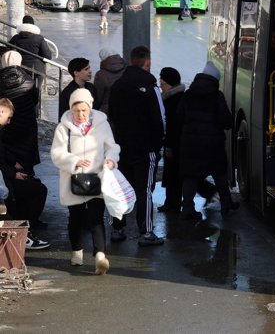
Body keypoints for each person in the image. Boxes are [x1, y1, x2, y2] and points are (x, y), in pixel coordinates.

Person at [50, 89, 119, 275]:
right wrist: (74, 161)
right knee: (76, 218)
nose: (80, 115)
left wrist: (111, 160)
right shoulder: (63, 127)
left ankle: (100, 256)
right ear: (71, 109)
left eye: (84, 110)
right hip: (73, 180)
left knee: (97, 217)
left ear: (90, 107)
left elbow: (112, 147)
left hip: (97, 177)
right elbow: (56, 154)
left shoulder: (102, 124)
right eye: (76, 111)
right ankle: (77, 250)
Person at [108, 46, 166, 246]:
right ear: (147, 63)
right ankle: (146, 232)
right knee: (145, 190)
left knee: (122, 188)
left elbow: (112, 115)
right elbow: (160, 119)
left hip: (123, 145)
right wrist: (158, 143)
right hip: (146, 148)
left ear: (131, 61)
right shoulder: (151, 87)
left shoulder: (118, 85)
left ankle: (117, 228)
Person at [177, 61, 238, 220]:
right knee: (219, 173)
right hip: (213, 144)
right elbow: (226, 121)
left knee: (190, 175)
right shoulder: (217, 96)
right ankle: (226, 203)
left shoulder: (188, 95)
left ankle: (188, 208)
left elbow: (179, 117)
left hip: (190, 143)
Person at [0, 51, 47, 228]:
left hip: (7, 132)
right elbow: (35, 100)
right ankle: (29, 218)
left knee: (10, 173)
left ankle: (18, 213)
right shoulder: (28, 80)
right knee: (27, 175)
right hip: (26, 132)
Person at [0, 97, 49, 249]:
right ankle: (23, 234)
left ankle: (24, 231)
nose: (9, 122)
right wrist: (14, 173)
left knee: (34, 188)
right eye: (8, 117)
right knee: (34, 190)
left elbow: (3, 152)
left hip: (5, 176)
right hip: (4, 179)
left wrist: (14, 164)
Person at [157, 67, 184, 212]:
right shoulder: (178, 97)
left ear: (169, 84)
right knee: (174, 174)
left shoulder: (172, 101)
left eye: (162, 84)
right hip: (176, 143)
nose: (161, 88)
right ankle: (172, 202)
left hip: (174, 143)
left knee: (173, 174)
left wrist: (169, 145)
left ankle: (172, 204)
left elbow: (173, 126)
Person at [9, 15, 52, 105]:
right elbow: (47, 56)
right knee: (36, 91)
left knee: (22, 92)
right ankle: (35, 111)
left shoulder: (16, 38)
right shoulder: (39, 38)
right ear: (33, 25)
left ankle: (23, 109)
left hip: (21, 69)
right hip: (37, 70)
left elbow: (8, 50)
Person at [93, 49, 125, 116]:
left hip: (108, 111)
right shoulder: (127, 70)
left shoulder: (100, 74)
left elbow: (98, 97)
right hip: (126, 109)